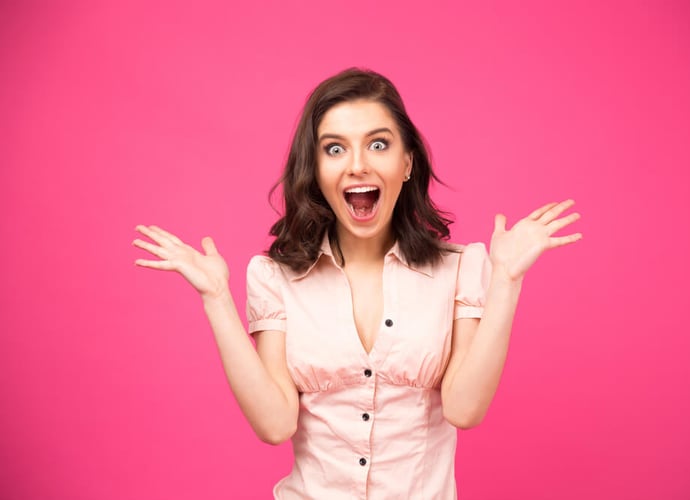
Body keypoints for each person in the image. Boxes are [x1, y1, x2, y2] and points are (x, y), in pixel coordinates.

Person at [133, 68, 582, 499]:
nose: (357, 165)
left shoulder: (460, 268)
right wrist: (215, 298)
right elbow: (274, 425)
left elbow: (465, 409)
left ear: (406, 163)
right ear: (316, 169)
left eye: (378, 144)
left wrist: (506, 280)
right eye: (334, 149)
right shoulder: (274, 276)